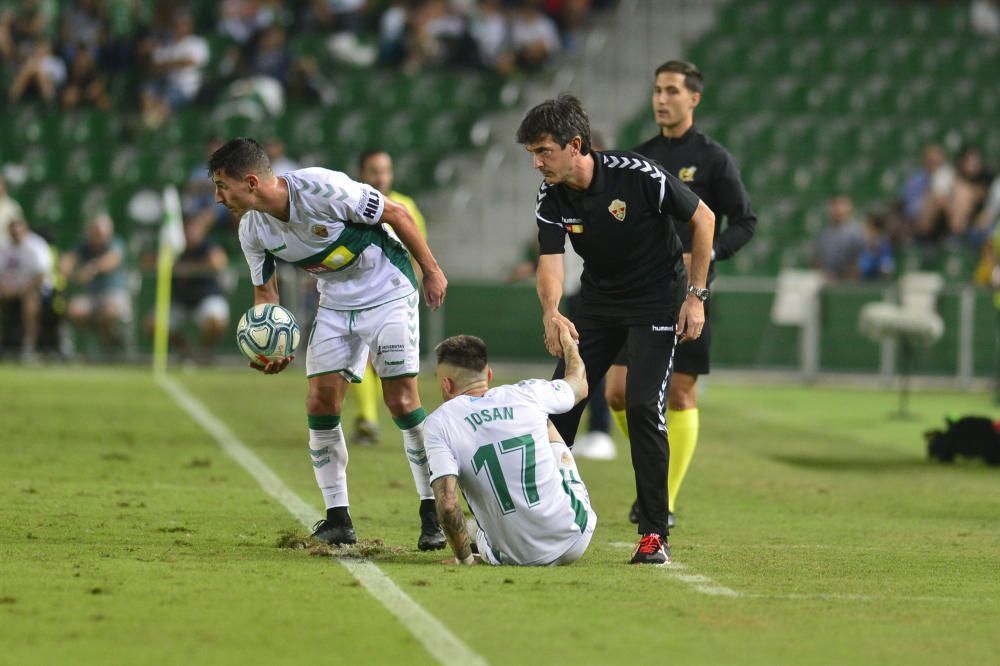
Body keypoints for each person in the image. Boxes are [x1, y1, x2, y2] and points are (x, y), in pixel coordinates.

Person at [208, 137, 449, 550]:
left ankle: (434, 512)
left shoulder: (321, 188)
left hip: (387, 288)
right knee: (320, 401)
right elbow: (266, 296)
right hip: (335, 301)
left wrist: (431, 269)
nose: (217, 197)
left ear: (249, 182)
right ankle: (338, 518)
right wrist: (270, 347)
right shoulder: (252, 229)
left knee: (402, 403)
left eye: (221, 186)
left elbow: (396, 212)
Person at [517, 93, 716, 564]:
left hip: (656, 302)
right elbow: (549, 262)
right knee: (559, 407)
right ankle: (540, 520)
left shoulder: (638, 174)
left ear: (575, 145)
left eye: (543, 151)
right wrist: (551, 311)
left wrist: (696, 296)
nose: (537, 164)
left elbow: (704, 218)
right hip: (599, 303)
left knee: (645, 407)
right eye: (532, 154)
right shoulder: (551, 194)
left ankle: (654, 534)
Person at [606, 60, 758, 529]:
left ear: (694, 98)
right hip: (639, 290)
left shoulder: (713, 159)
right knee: (616, 392)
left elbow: (745, 222)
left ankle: (662, 499)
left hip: (689, 294)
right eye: (656, 90)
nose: (661, 99)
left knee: (680, 393)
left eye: (672, 90)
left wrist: (705, 257)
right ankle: (652, 476)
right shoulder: (639, 156)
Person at [423, 324, 596, 566]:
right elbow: (580, 383)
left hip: (512, 557)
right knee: (542, 420)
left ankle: (486, 532)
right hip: (575, 538)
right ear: (489, 375)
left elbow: (448, 504)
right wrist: (569, 343)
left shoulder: (439, 422)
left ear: (447, 385)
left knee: (477, 525)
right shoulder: (527, 393)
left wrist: (463, 559)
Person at [349, 148, 430, 446]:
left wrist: (414, 292)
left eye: (386, 170)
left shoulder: (405, 206)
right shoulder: (349, 204)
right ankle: (367, 419)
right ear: (362, 173)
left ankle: (410, 429)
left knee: (390, 366)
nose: (381, 177)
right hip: (356, 295)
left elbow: (418, 253)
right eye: (374, 170)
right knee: (360, 359)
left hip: (394, 297)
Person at [151, 219, 230, 360]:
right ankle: (186, 350)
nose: (190, 234)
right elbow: (150, 262)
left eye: (194, 231)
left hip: (206, 299)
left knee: (216, 321)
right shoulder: (175, 249)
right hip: (180, 303)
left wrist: (190, 268)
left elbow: (219, 262)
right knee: (153, 323)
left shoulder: (207, 246)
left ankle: (204, 353)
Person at [59, 212, 132, 351]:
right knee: (74, 310)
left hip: (114, 293)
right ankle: (104, 334)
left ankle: (109, 341)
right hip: (92, 296)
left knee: (109, 311)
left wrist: (93, 268)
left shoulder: (116, 243)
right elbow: (68, 260)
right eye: (96, 233)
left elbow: (112, 259)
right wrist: (66, 269)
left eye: (102, 234)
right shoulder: (83, 245)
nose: (99, 237)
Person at [0, 217, 52, 360]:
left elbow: (41, 276)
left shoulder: (36, 246)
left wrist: (21, 290)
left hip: (36, 290)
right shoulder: (4, 247)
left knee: (30, 300)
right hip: (10, 290)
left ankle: (29, 345)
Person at [812, 195, 865, 283]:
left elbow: (860, 260)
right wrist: (824, 274)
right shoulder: (824, 233)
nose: (838, 208)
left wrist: (845, 277)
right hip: (827, 280)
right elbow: (816, 258)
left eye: (842, 204)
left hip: (850, 281)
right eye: (835, 205)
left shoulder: (856, 232)